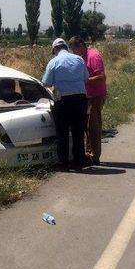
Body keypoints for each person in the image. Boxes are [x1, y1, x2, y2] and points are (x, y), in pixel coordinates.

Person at [42, 38, 89, 170]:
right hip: (80, 100)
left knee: (62, 132)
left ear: (55, 49)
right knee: (78, 132)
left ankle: (63, 163)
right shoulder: (79, 59)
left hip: (63, 101)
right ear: (66, 47)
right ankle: (79, 161)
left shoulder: (53, 62)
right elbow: (86, 78)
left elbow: (46, 83)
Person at [69, 36, 107, 166]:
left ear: (80, 45)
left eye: (74, 49)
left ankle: (94, 157)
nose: (73, 53)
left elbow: (102, 77)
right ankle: (89, 153)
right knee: (87, 126)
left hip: (96, 95)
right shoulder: (82, 57)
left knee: (93, 126)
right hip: (87, 95)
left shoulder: (93, 56)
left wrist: (84, 81)